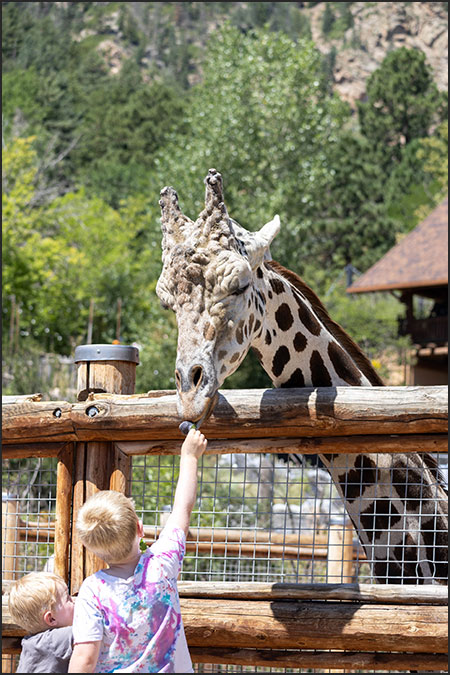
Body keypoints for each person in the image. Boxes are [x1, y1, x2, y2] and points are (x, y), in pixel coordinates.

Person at [68, 427, 208, 673]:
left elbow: (85, 658)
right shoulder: (163, 563)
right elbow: (182, 510)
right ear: (140, 529)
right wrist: (189, 457)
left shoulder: (93, 591)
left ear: (93, 550)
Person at [8, 571, 74, 673]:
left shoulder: (32, 642)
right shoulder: (52, 641)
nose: (74, 600)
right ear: (51, 619)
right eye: (68, 599)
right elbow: (91, 629)